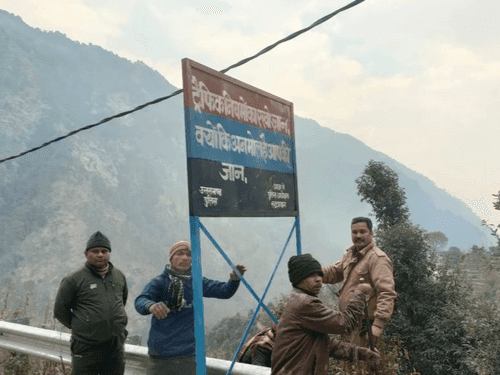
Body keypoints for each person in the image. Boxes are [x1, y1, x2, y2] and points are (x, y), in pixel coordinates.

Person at [134, 240, 247, 375]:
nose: (184, 258)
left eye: (188, 254)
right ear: (171, 258)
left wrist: (234, 279)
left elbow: (224, 291)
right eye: (179, 254)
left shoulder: (196, 281)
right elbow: (140, 301)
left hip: (187, 355)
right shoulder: (159, 282)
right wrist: (151, 306)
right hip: (160, 355)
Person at [271, 253, 380, 375]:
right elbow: (345, 323)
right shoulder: (304, 304)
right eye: (311, 275)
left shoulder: (298, 301)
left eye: (319, 274)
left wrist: (362, 353)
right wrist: (360, 293)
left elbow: (327, 344)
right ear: (298, 279)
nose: (318, 279)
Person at [54, 231, 128, 375]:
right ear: (86, 254)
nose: (100, 254)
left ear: (109, 253)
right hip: (86, 347)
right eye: (95, 251)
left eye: (104, 251)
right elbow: (60, 311)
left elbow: (121, 302)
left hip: (115, 345)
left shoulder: (119, 276)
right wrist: (82, 326)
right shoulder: (73, 279)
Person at [322, 217, 397, 349]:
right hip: (348, 323)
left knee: (363, 364)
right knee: (349, 363)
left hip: (365, 326)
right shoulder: (351, 254)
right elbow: (335, 272)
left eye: (362, 232)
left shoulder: (377, 259)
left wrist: (378, 326)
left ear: (371, 233)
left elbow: (386, 292)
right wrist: (313, 272)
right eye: (354, 232)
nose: (358, 236)